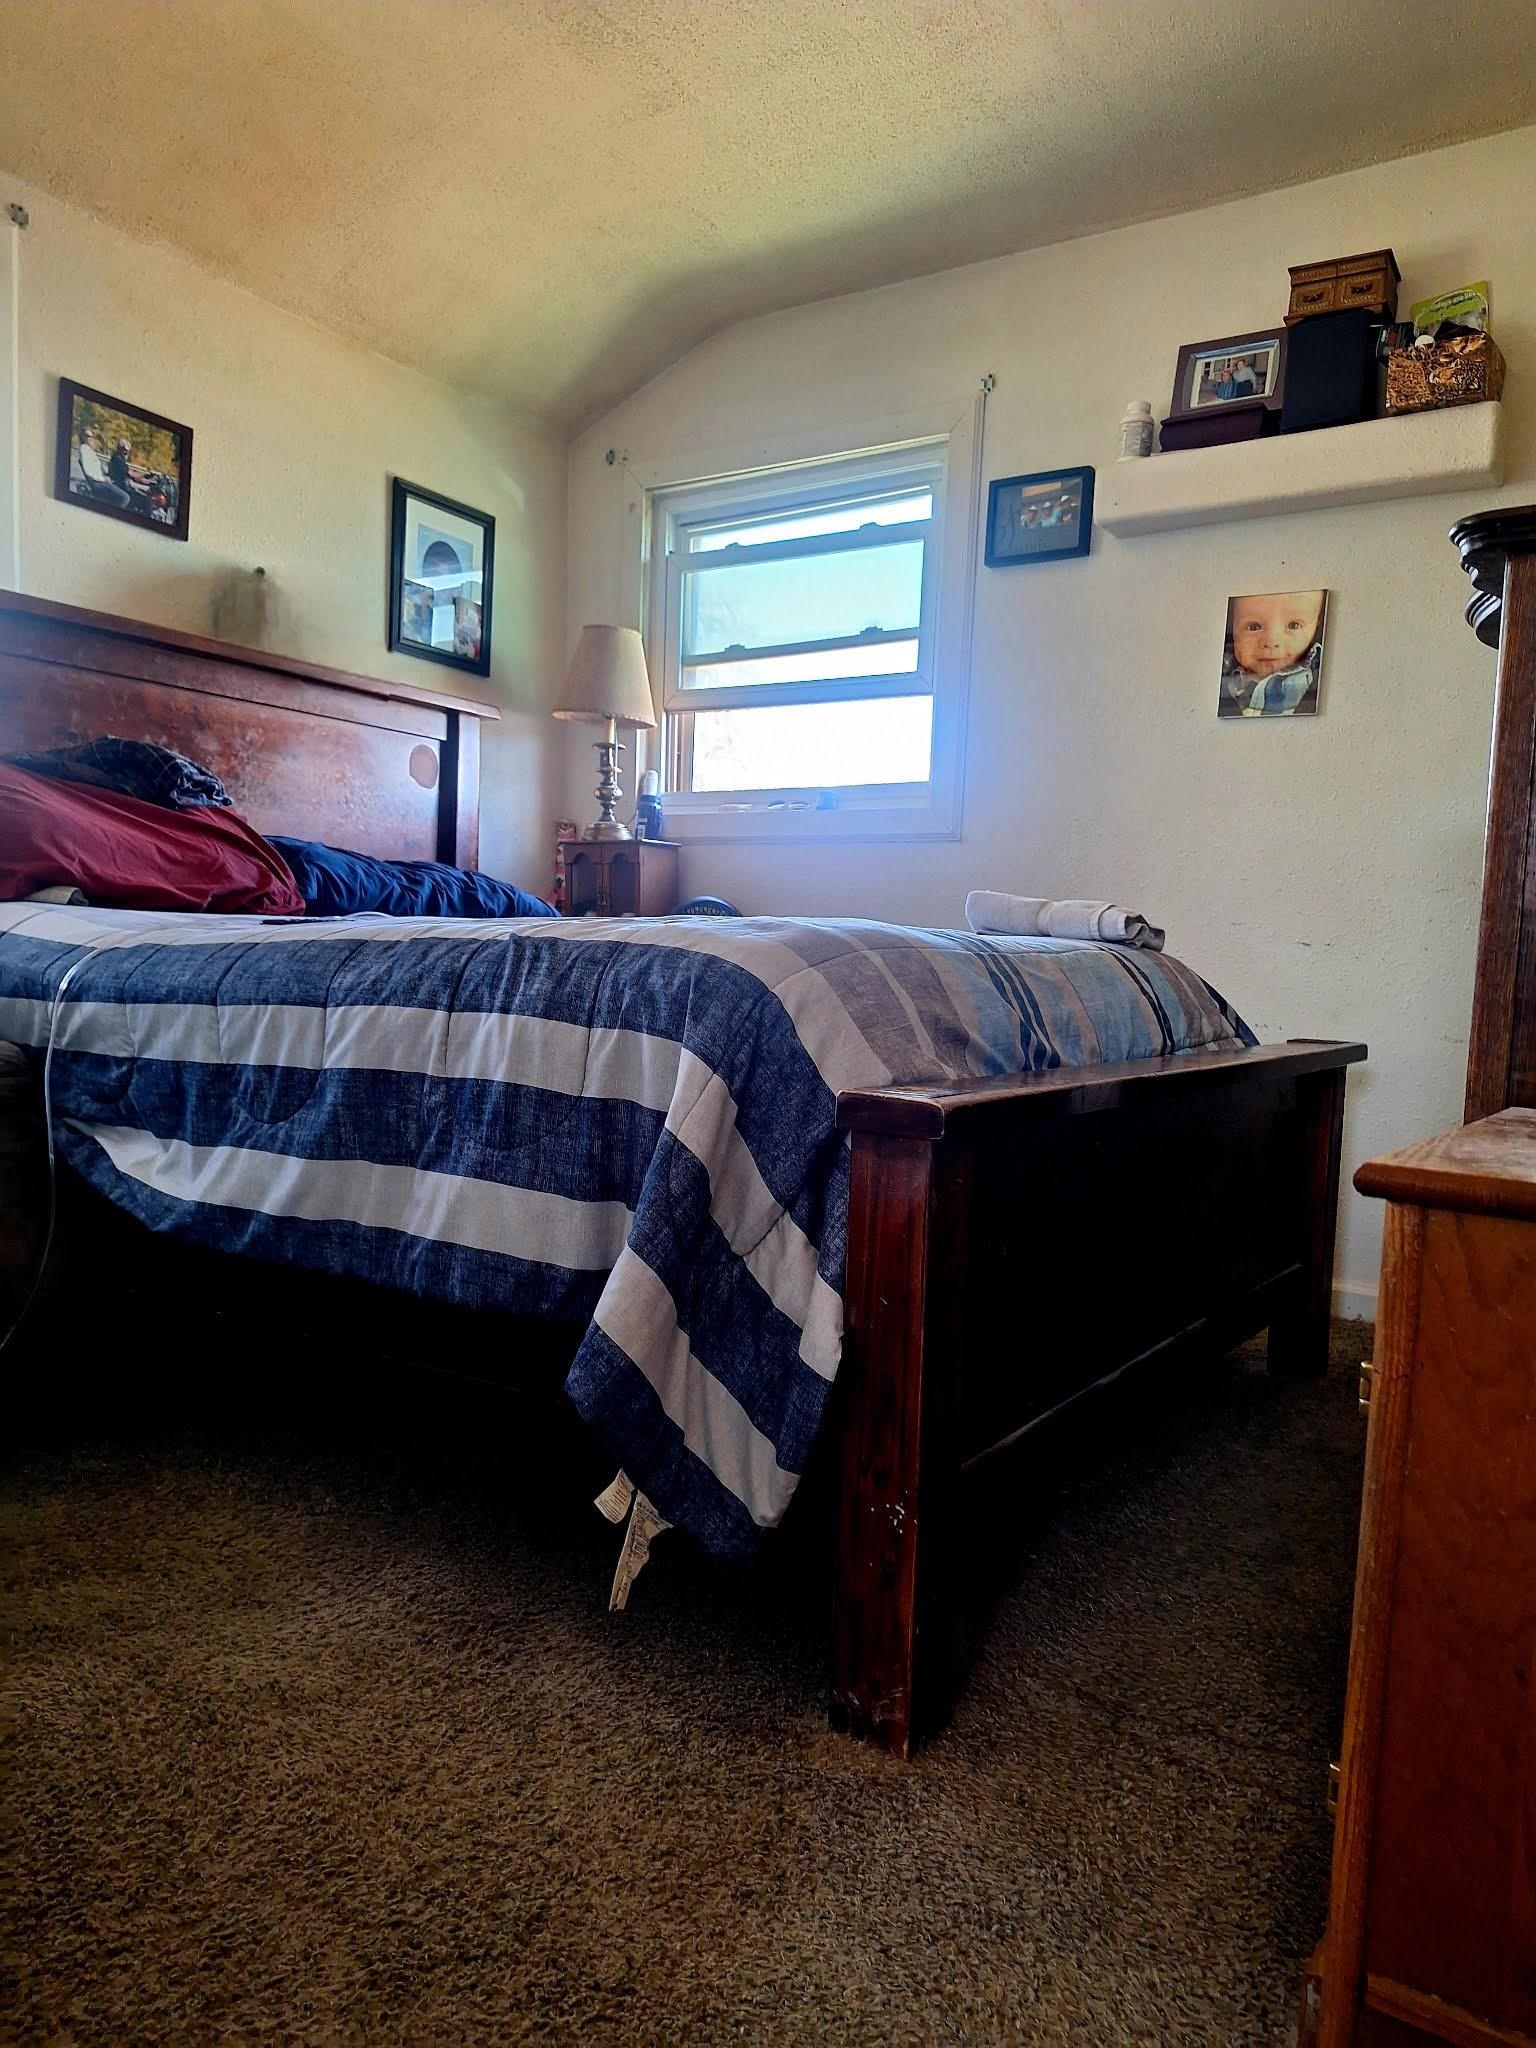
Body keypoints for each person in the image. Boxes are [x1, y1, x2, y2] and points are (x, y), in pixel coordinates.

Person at [1221, 590, 1326, 715]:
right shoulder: (1221, 672)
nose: (1271, 642)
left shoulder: (1321, 674)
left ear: (1316, 627)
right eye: (1254, 627)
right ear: (1232, 628)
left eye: (1293, 625)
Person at [74, 427, 130, 508]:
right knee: (125, 498)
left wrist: (107, 476)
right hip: (98, 483)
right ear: (82, 436)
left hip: (100, 481)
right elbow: (88, 472)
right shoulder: (84, 450)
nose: (91, 438)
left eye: (92, 436)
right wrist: (104, 479)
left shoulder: (89, 451)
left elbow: (97, 470)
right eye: (88, 436)